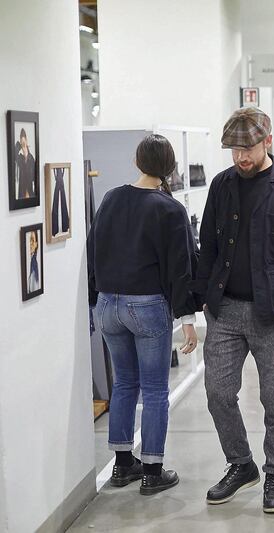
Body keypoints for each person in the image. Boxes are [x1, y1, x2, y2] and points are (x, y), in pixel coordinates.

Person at [195, 107, 274, 513]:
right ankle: (241, 464)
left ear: (267, 141)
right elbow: (208, 246)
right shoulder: (222, 185)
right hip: (225, 310)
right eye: (234, 149)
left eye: (247, 147)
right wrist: (205, 299)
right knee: (218, 393)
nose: (240, 157)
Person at [87, 134, 199, 495]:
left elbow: (93, 250)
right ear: (170, 168)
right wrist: (188, 321)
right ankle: (152, 469)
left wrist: (95, 300)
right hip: (146, 306)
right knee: (153, 390)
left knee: (123, 383)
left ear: (137, 162)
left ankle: (122, 465)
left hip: (108, 304)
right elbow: (179, 269)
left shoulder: (111, 198)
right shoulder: (169, 209)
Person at [16, 128, 36, 199]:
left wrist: (27, 156)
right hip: (22, 190)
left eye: (24, 144)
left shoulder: (31, 158)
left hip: (30, 190)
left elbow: (33, 177)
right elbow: (14, 156)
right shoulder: (20, 158)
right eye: (22, 144)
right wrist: (18, 145)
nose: (24, 148)